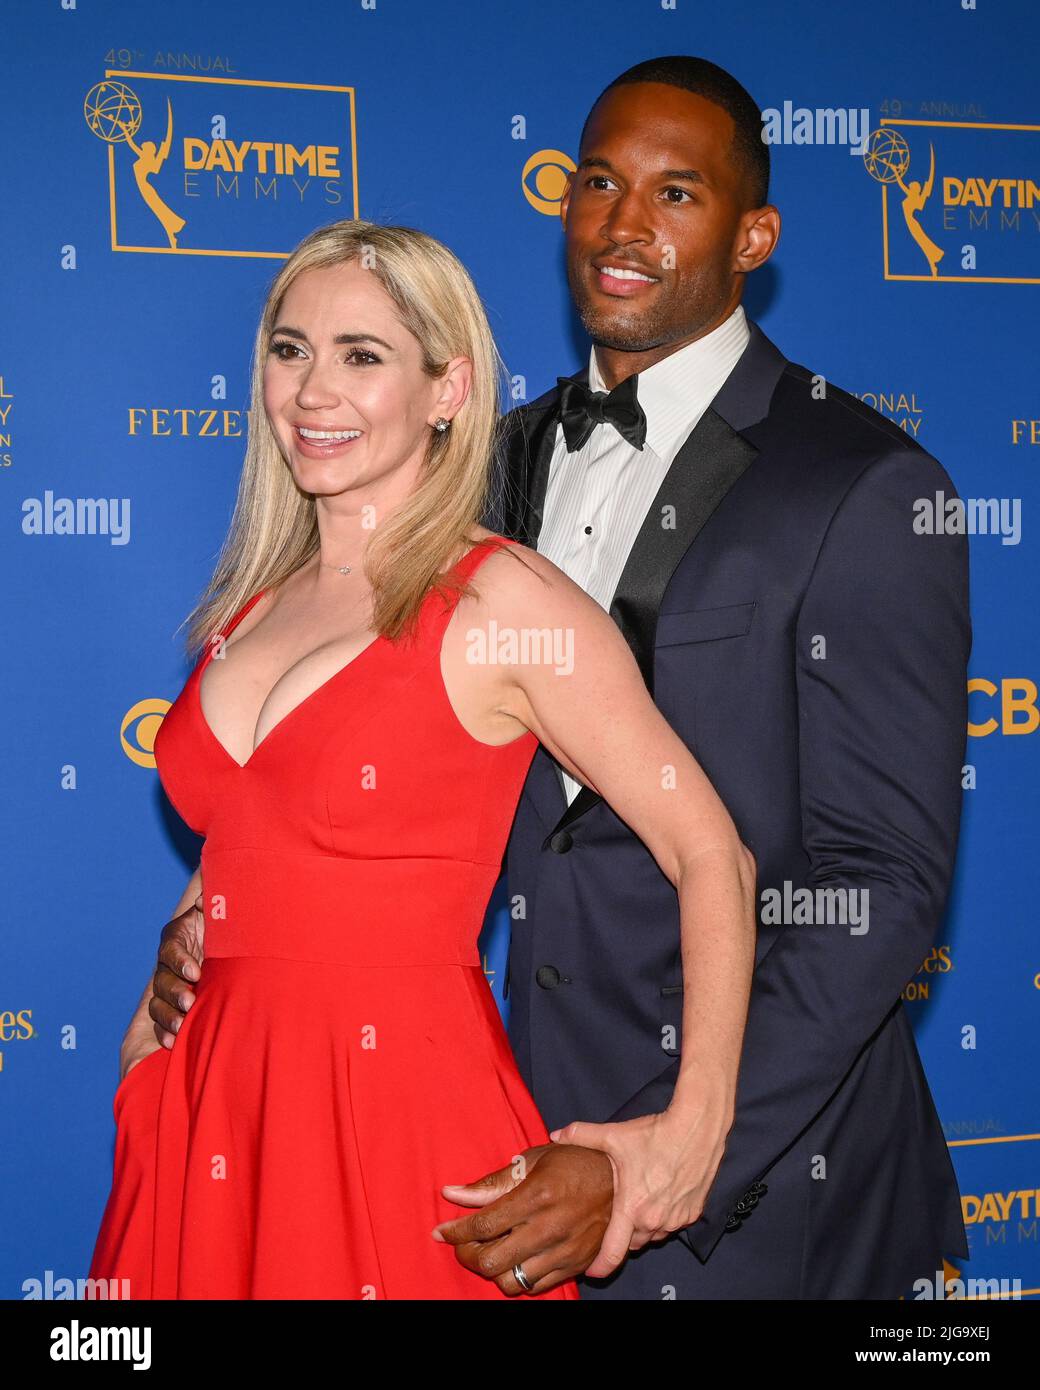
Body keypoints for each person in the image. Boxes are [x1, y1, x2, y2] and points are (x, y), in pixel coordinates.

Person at [87, 218, 757, 1300]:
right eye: (289, 348)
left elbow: (710, 852)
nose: (312, 390)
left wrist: (691, 1129)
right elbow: (252, 826)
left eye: (362, 355)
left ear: (448, 388)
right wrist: (156, 1016)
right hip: (210, 1105)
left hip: (390, 1111)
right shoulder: (252, 604)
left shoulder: (504, 600)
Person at [428, 56, 971, 1298]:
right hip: (512, 1147)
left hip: (777, 1200)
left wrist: (672, 1150)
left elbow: (878, 890)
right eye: (599, 182)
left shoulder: (866, 485)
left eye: (676, 193)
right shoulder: (480, 474)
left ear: (752, 235)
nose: (623, 224)